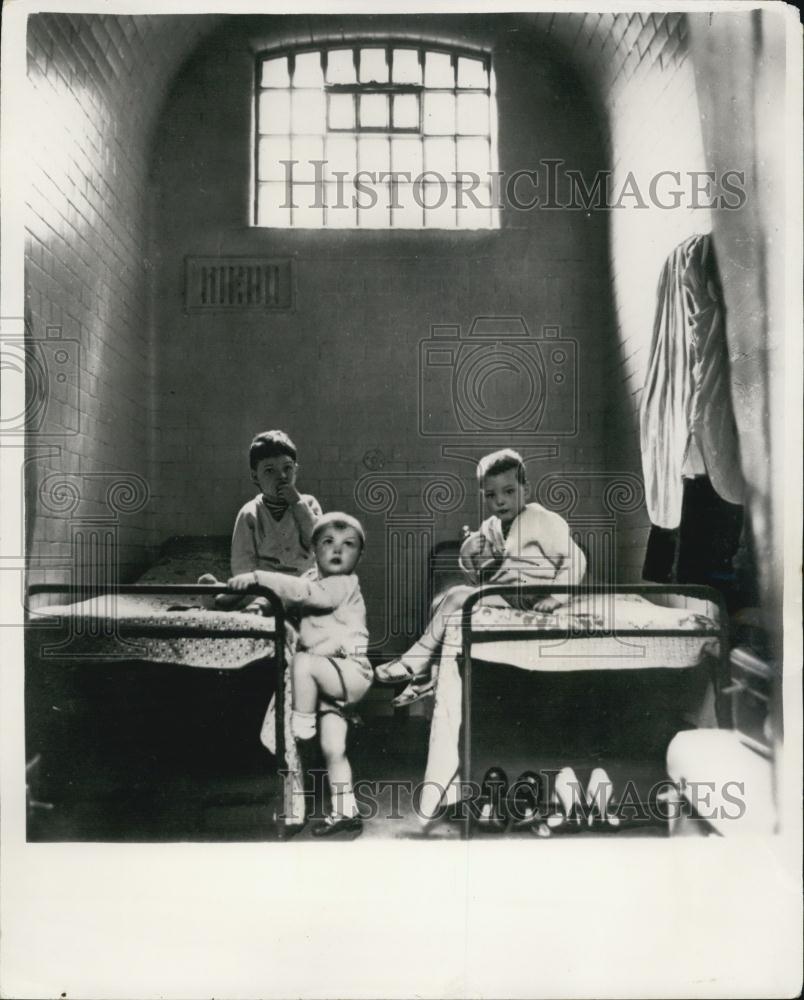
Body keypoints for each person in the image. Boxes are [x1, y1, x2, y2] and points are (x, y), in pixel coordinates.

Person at [376, 448, 587, 705]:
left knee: (455, 598)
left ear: (526, 490)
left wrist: (555, 597)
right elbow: (476, 579)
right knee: (451, 603)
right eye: (491, 495)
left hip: (534, 593)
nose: (500, 501)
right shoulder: (490, 527)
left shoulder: (542, 519)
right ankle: (427, 677)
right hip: (505, 593)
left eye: (509, 491)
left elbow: (576, 560)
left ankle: (415, 663)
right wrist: (466, 555)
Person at [228, 512, 372, 837]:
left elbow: (303, 593)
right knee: (334, 748)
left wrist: (257, 577)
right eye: (328, 543)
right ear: (313, 549)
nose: (338, 550)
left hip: (348, 671)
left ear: (359, 555)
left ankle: (301, 726)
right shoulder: (312, 577)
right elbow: (286, 597)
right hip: (328, 682)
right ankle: (346, 810)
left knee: (302, 663)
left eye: (348, 545)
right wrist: (248, 600)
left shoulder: (341, 584)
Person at [199, 430, 322, 612]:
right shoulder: (250, 513)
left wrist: (297, 504)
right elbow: (242, 562)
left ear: (296, 469)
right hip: (264, 583)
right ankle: (219, 597)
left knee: (319, 579)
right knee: (245, 586)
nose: (281, 476)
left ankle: (258, 605)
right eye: (270, 470)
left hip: (301, 580)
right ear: (255, 476)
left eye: (287, 468)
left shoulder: (308, 504)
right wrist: (250, 581)